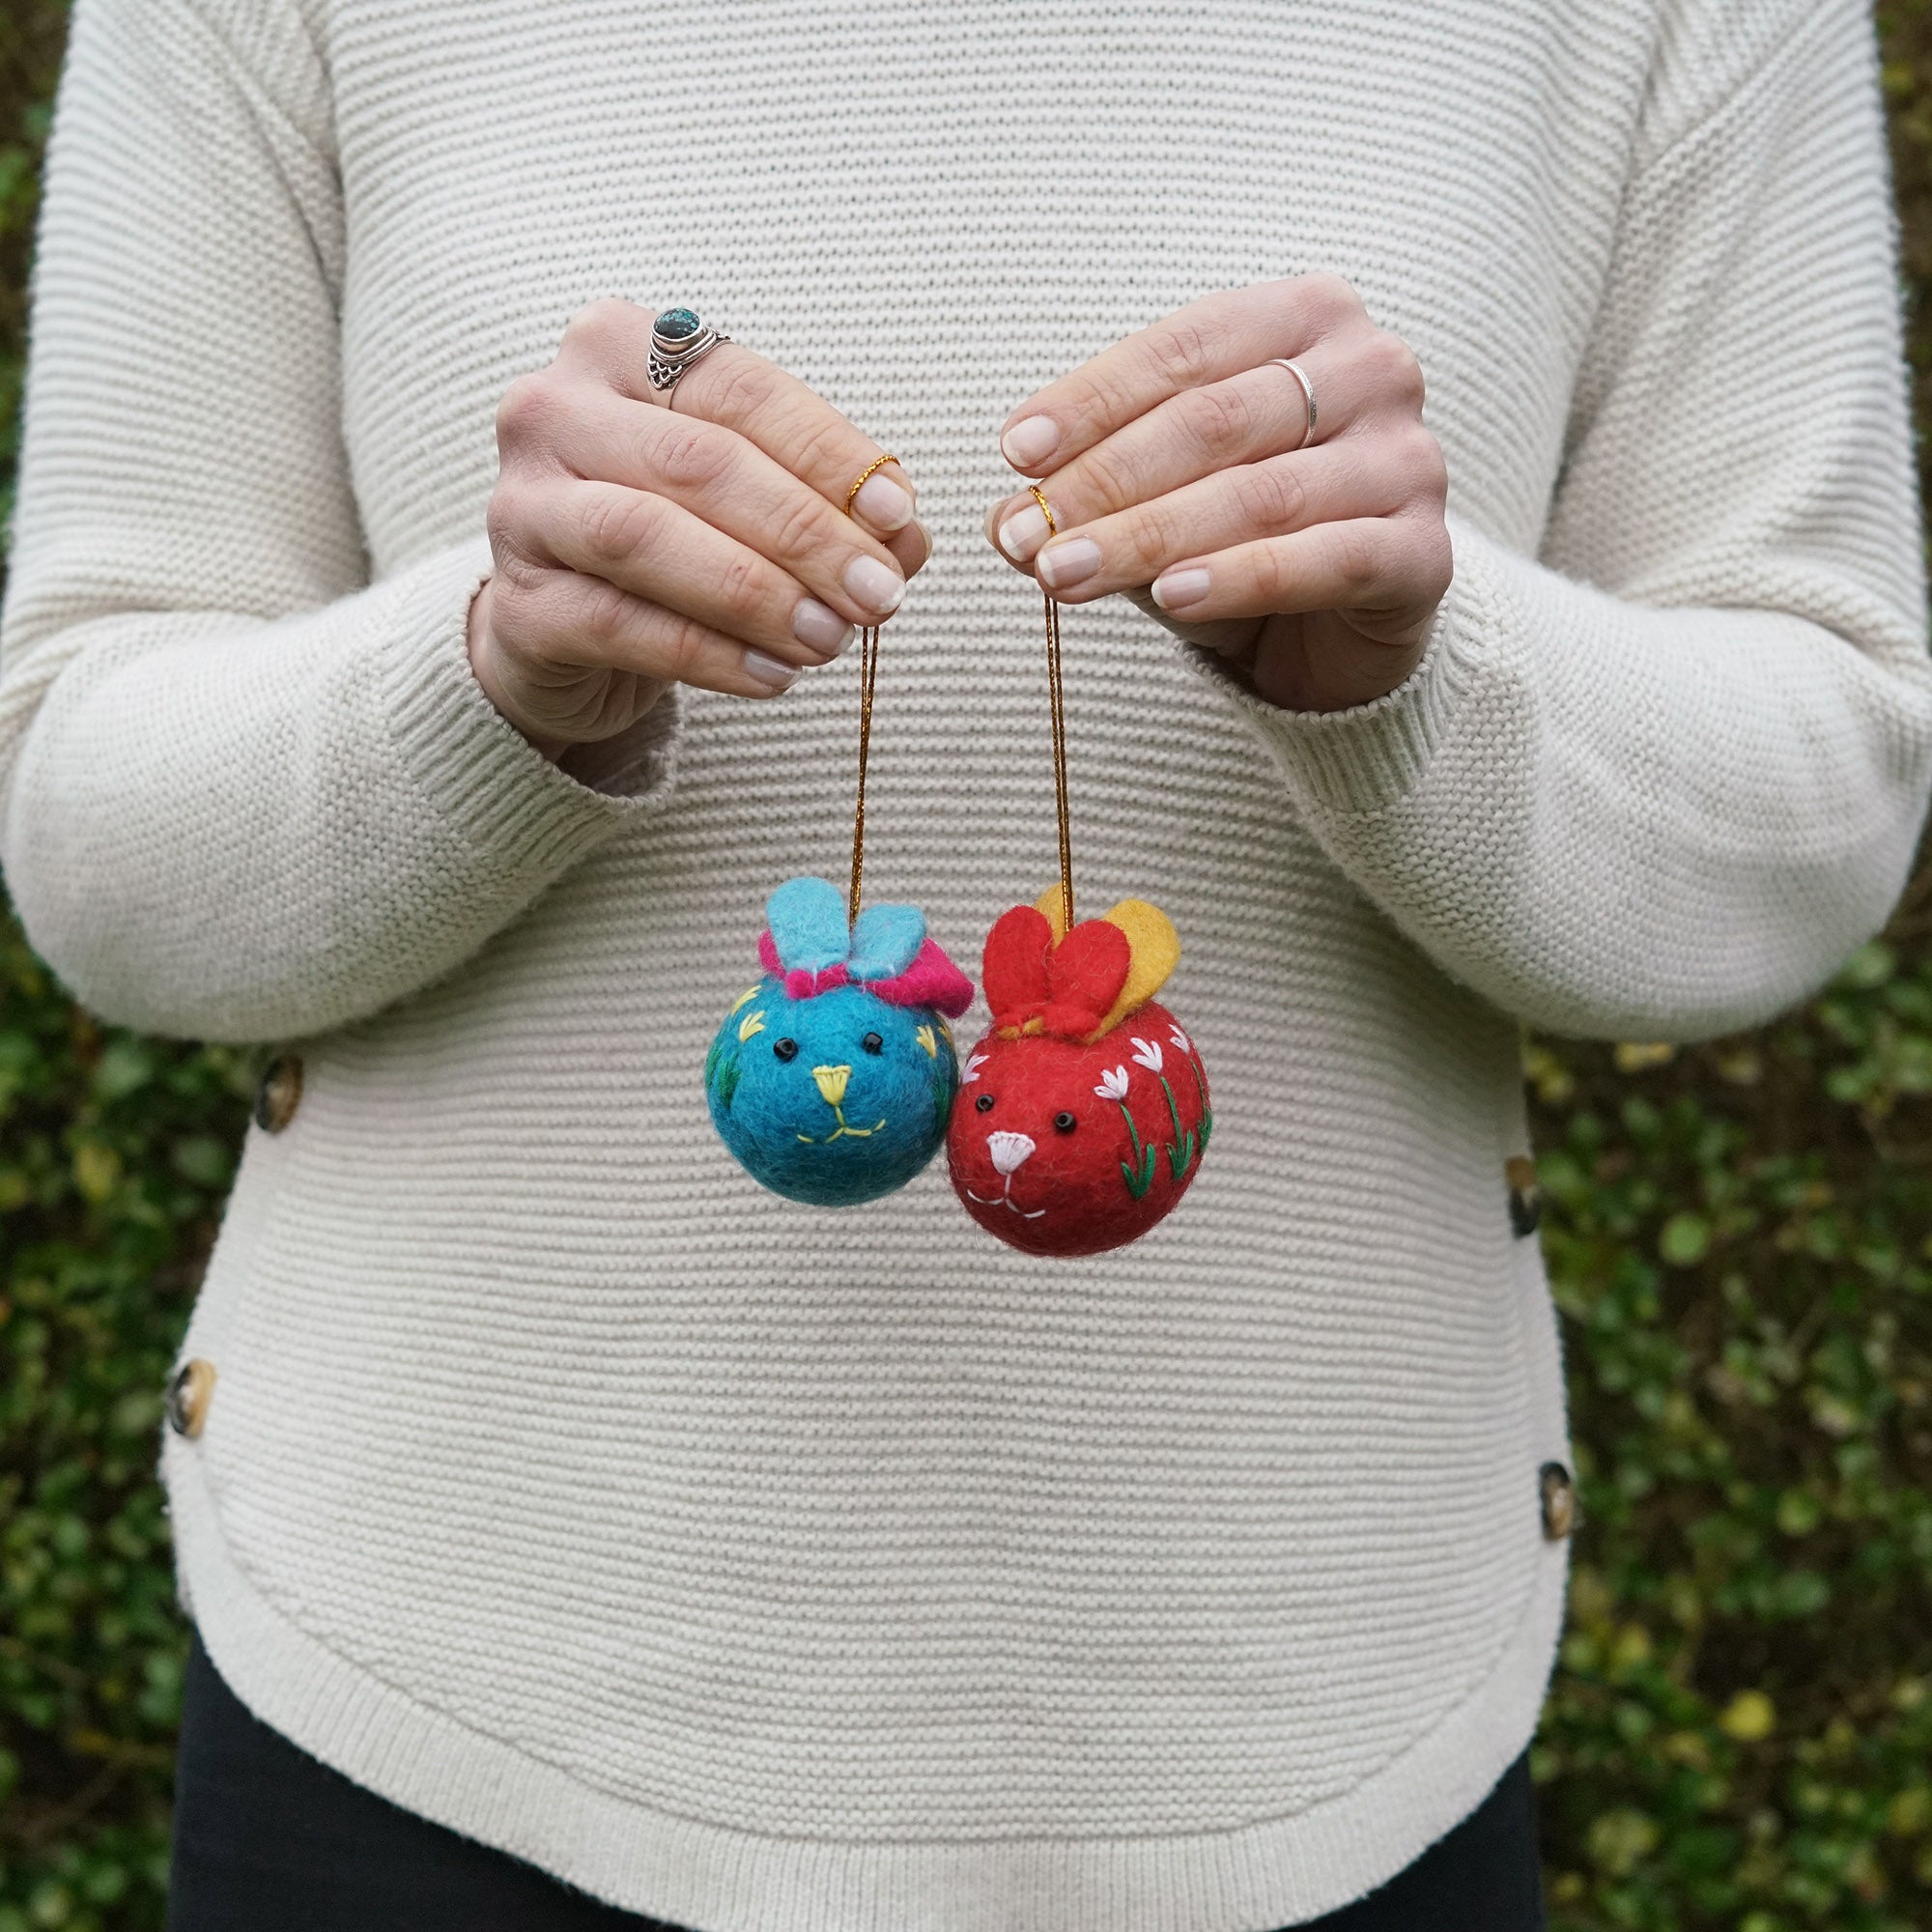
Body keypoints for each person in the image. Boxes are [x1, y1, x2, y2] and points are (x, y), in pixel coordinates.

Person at [3, 0, 1927, 1926]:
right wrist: (490, 673)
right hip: (429, 1700)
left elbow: (1818, 783)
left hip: (1313, 1714)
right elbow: (97, 834)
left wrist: (1429, 681)